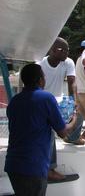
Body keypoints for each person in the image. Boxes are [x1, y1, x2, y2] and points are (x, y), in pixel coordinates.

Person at [5, 64, 77, 196]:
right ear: (40, 80)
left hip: (13, 166)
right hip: (33, 167)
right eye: (43, 76)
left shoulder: (14, 101)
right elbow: (63, 132)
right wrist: (74, 120)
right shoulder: (46, 98)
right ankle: (51, 170)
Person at [38, 37, 84, 182]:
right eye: (62, 50)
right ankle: (50, 168)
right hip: (43, 100)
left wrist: (74, 102)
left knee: (79, 114)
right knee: (49, 131)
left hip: (58, 100)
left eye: (67, 50)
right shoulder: (40, 64)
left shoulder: (68, 62)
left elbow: (72, 83)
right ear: (52, 50)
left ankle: (72, 137)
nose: (66, 52)